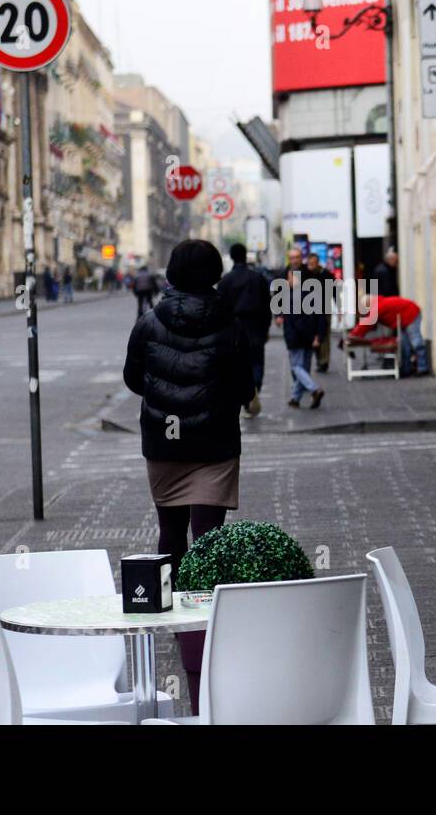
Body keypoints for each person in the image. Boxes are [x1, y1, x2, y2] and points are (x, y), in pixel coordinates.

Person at [124, 239, 254, 714]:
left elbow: (133, 378)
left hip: (165, 442)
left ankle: (172, 618)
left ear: (173, 273)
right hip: (215, 443)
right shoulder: (230, 324)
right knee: (207, 538)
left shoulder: (148, 321)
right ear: (216, 273)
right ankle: (203, 626)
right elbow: (244, 386)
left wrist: (168, 395)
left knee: (170, 531)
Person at [216, 242, 272, 418]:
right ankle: (254, 391)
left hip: (233, 328)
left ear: (232, 257)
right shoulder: (258, 278)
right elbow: (266, 305)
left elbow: (220, 309)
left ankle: (245, 397)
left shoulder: (225, 281)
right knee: (257, 362)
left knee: (236, 365)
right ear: (245, 256)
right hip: (256, 327)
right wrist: (266, 327)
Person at [347, 293, 429, 376]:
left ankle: (423, 368)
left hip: (411, 314)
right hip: (406, 316)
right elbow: (368, 324)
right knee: (405, 345)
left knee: (416, 342)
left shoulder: (378, 306)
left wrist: (353, 335)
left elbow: (367, 323)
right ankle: (406, 369)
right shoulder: (379, 304)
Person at [282, 267, 326, 409]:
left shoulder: (292, 296)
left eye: (289, 277)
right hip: (310, 338)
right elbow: (321, 317)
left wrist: (309, 336)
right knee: (303, 369)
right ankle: (295, 398)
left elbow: (295, 321)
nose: (287, 281)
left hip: (297, 338)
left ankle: (314, 389)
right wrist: (318, 336)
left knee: (297, 368)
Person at [304, 252, 334, 373]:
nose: (312, 266)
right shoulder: (305, 274)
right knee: (312, 335)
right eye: (310, 264)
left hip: (324, 309)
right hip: (309, 310)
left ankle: (324, 361)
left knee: (324, 335)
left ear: (318, 263)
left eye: (314, 264)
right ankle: (318, 359)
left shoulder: (326, 274)